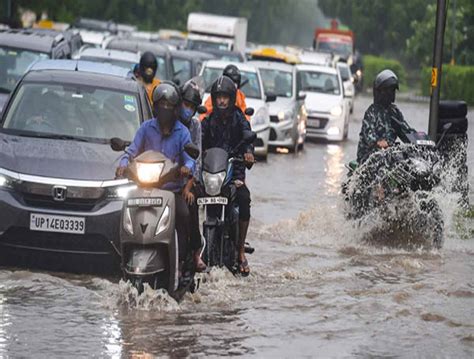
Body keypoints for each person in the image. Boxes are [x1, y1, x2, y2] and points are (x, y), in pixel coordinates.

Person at [116, 82, 195, 268]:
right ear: (155, 107)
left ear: (175, 109)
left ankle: (183, 262)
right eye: (161, 105)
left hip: (171, 191)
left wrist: (186, 168)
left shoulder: (182, 133)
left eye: (169, 106)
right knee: (123, 213)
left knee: (184, 216)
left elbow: (190, 158)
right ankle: (119, 258)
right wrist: (123, 165)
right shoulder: (145, 128)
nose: (165, 109)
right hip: (144, 189)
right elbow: (131, 151)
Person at [201, 76, 255, 276]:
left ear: (232, 99)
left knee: (244, 199)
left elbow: (247, 137)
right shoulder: (208, 120)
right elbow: (198, 142)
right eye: (219, 97)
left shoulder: (239, 118)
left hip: (233, 174)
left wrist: (249, 153)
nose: (222, 101)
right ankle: (193, 252)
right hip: (212, 175)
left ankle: (240, 251)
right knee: (188, 199)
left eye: (225, 97)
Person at [356, 69, 415, 164]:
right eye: (387, 90)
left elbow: (405, 130)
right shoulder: (371, 112)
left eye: (392, 90)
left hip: (390, 156)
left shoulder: (395, 112)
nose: (390, 93)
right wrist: (379, 142)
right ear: (380, 92)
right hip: (369, 158)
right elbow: (369, 135)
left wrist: (419, 140)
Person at [178, 79, 207, 272]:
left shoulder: (195, 126)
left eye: (191, 107)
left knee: (191, 205)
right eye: (185, 104)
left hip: (189, 179)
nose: (187, 109)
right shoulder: (167, 121)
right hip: (165, 176)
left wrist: (189, 184)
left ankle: (196, 250)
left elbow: (195, 159)